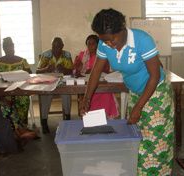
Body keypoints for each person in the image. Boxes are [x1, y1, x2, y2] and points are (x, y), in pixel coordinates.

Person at [80, 8, 175, 175]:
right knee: (136, 137)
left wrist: (138, 107)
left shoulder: (142, 40)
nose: (108, 44)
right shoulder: (104, 43)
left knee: (155, 142)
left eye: (112, 39)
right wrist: (87, 99)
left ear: (122, 28)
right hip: (136, 93)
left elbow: (154, 76)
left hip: (156, 94)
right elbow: (95, 72)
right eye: (104, 40)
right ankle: (138, 171)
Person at [0, 37, 37, 140]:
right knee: (3, 103)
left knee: (23, 99)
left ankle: (22, 126)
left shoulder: (22, 61)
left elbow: (29, 75)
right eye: (7, 47)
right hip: (2, 92)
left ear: (14, 47)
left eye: (11, 46)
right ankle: (13, 129)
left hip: (19, 90)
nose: (10, 49)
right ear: (4, 48)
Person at [73, 34, 119, 118]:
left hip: (100, 80)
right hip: (85, 82)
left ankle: (103, 115)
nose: (90, 46)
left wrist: (94, 70)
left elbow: (106, 69)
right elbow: (75, 70)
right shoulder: (82, 55)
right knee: (87, 91)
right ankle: (90, 117)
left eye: (93, 44)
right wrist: (78, 69)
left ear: (98, 45)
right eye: (88, 44)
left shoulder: (102, 55)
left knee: (104, 92)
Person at [36, 37, 73, 133]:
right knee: (46, 95)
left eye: (58, 47)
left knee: (66, 93)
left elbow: (71, 71)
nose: (56, 49)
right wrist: (46, 69)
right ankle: (44, 121)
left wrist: (64, 69)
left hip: (62, 82)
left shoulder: (66, 55)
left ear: (62, 46)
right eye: (54, 47)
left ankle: (67, 118)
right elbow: (37, 71)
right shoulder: (46, 54)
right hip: (49, 81)